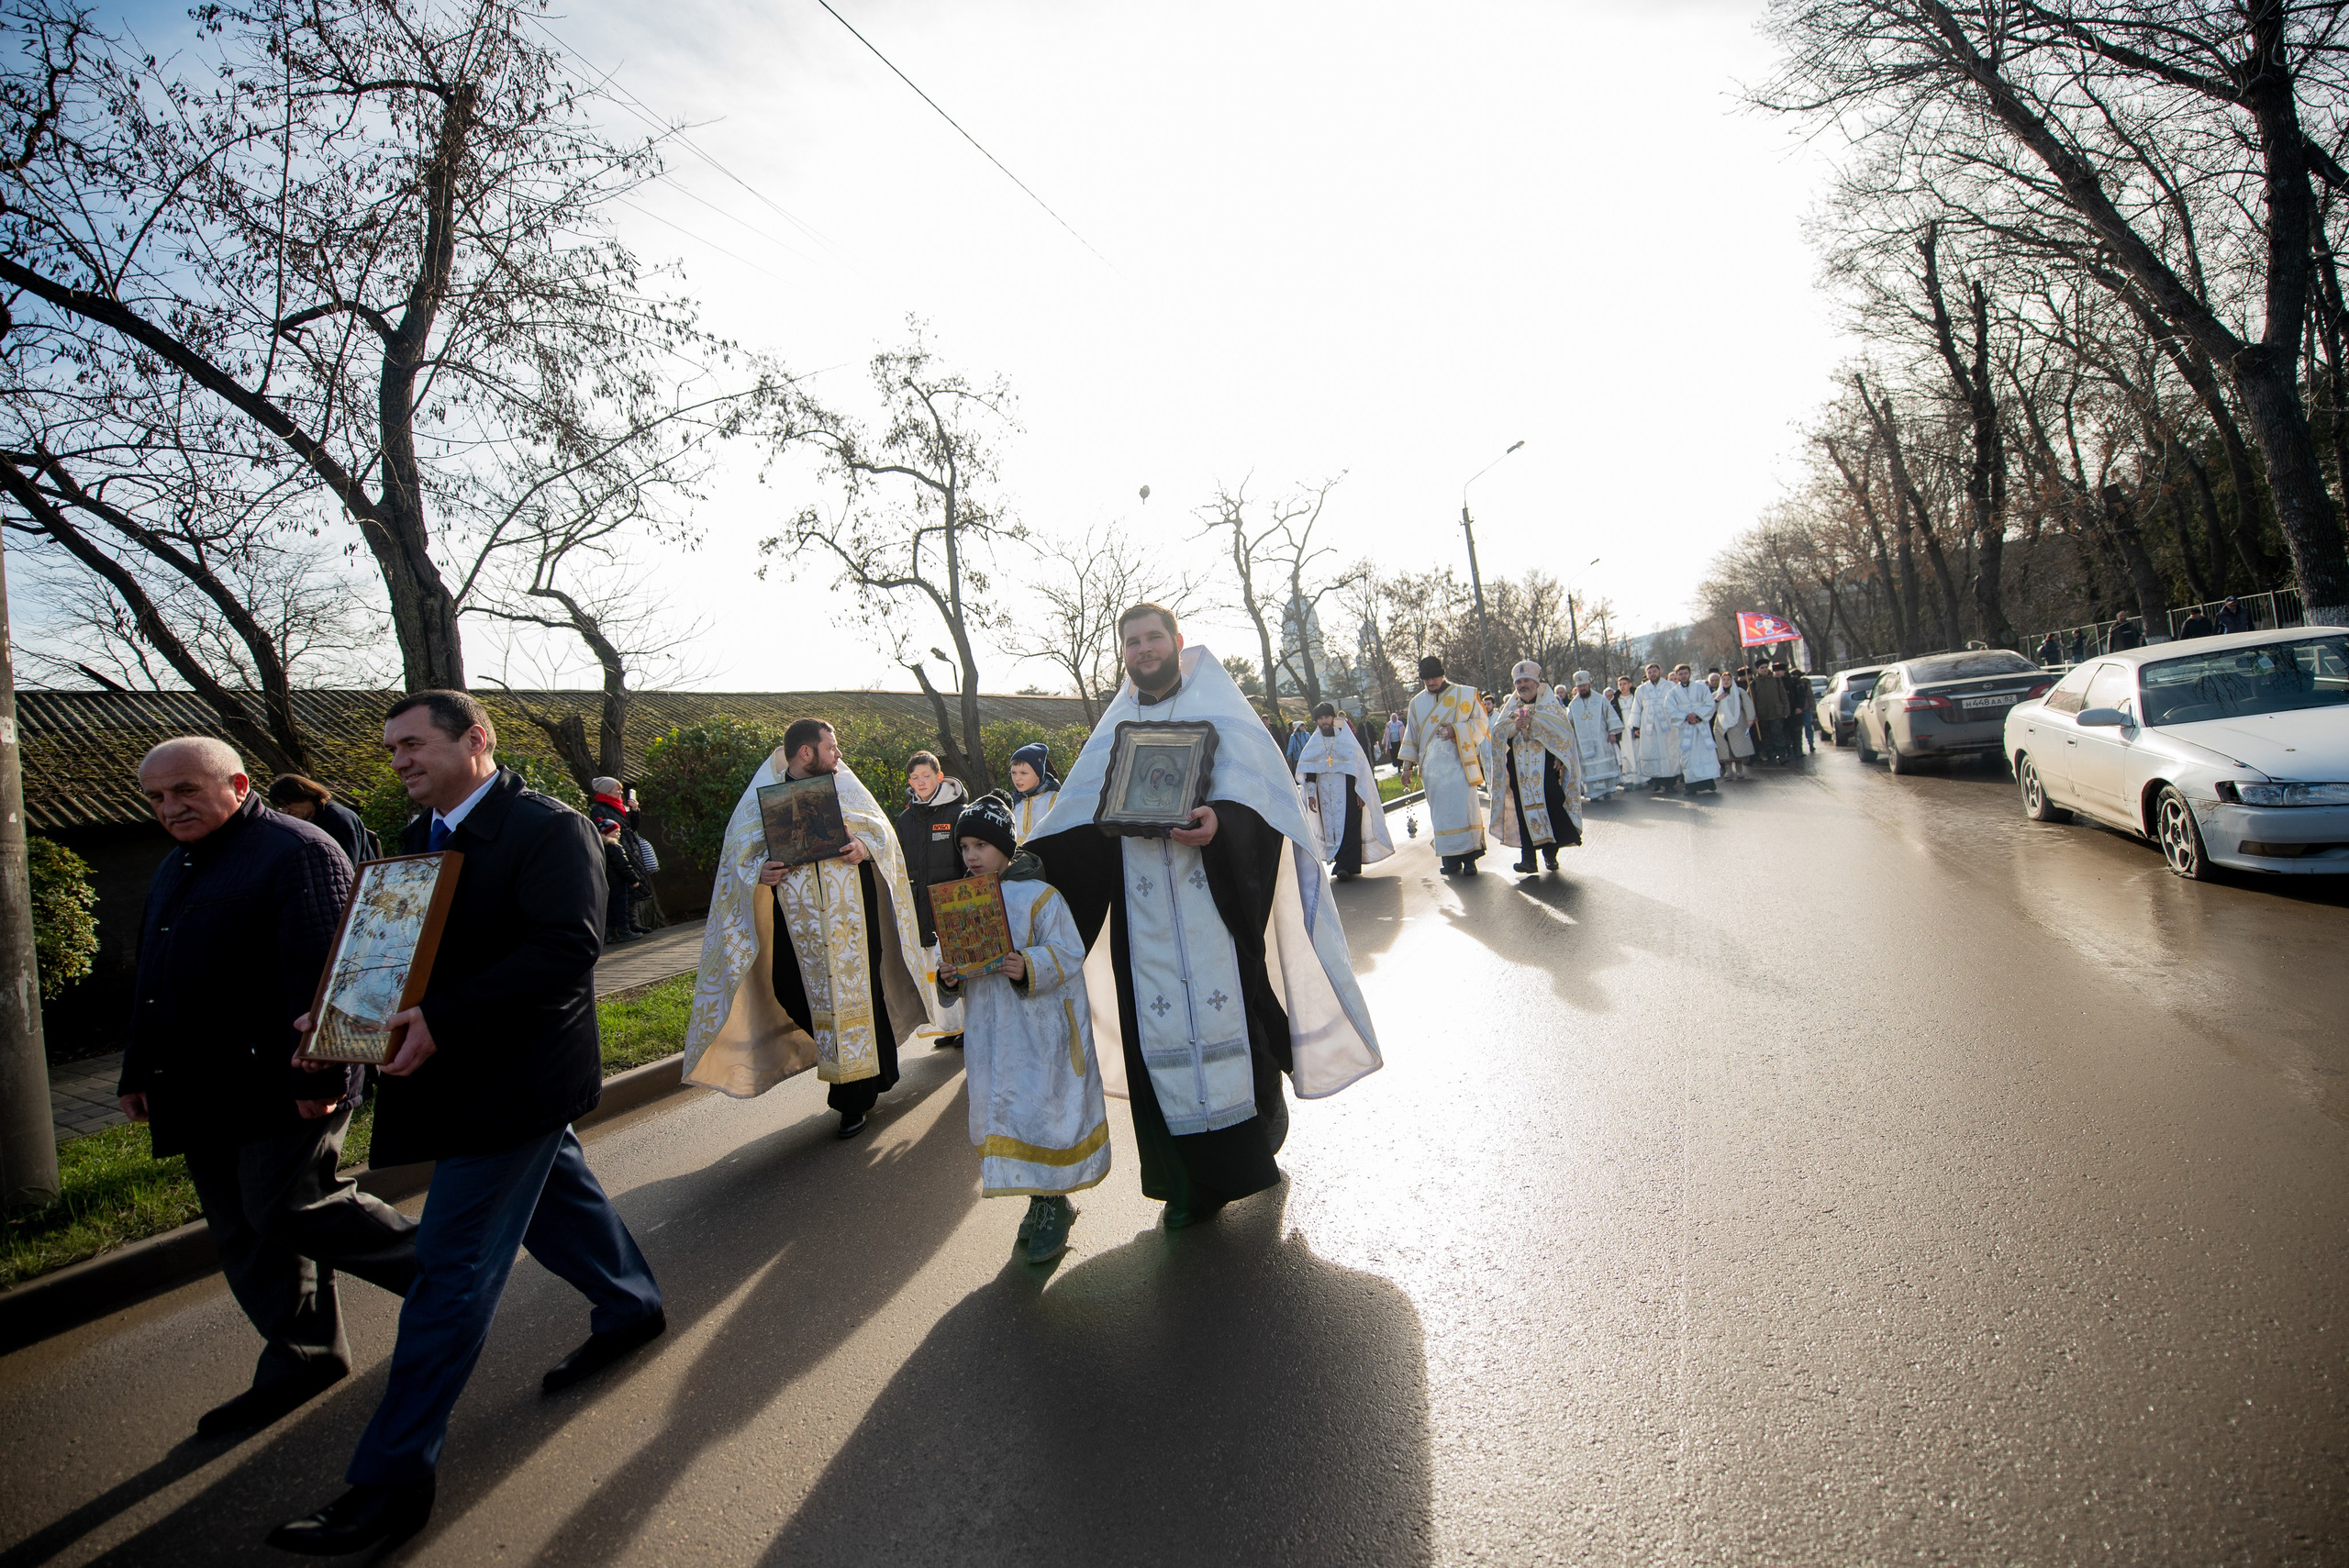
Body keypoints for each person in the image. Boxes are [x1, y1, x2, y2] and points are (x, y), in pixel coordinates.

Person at [267, 693, 662, 1555]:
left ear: (475, 740)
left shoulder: (547, 829)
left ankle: (391, 1479)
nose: (398, 759)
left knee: (450, 1273)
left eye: (413, 743)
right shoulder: (415, 842)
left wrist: (443, 1019)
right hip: (459, 1078)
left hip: (515, 1079)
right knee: (560, 1196)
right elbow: (395, 957)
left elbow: (566, 950)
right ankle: (632, 1303)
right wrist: (343, 1019)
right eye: (391, 747)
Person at [1027, 604, 1381, 1230]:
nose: (1143, 648)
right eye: (1132, 641)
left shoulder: (1223, 709)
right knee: (1157, 1043)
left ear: (1176, 642)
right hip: (1144, 931)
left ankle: (1256, 1138)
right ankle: (1189, 1185)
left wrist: (1222, 821)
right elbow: (1077, 824)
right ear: (1124, 654)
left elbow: (1264, 803)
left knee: (1238, 1020)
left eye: (1153, 637)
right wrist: (1023, 864)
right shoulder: (1115, 728)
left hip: (1212, 907)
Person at [122, 740, 417, 1443]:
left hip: (281, 1081)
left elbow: (337, 976)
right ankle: (302, 1357)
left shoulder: (297, 850)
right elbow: (155, 976)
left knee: (291, 1204)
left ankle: (449, 1277)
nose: (171, 807)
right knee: (242, 1229)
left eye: (186, 790)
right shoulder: (177, 863)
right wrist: (139, 1068)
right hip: (198, 1085)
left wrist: (328, 1071)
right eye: (157, 798)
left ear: (237, 784)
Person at [682, 720, 946, 1139]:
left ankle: (852, 1098)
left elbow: (881, 834)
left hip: (852, 915)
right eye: (831, 748)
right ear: (806, 753)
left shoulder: (846, 786)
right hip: (798, 919)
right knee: (788, 987)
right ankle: (854, 1062)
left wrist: (864, 846)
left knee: (860, 992)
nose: (838, 755)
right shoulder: (760, 799)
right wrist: (759, 871)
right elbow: (740, 855)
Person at [935, 795, 1110, 1264]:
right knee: (1006, 1108)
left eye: (982, 846)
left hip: (1037, 1032)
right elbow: (953, 961)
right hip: (990, 1034)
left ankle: (1054, 1203)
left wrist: (1027, 963)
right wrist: (949, 975)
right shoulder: (963, 899)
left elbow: (1070, 953)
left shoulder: (1040, 897)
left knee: (1039, 1109)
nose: (971, 855)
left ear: (1006, 848)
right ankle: (1040, 1200)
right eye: (965, 845)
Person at [1396, 654, 1494, 874]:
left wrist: (1456, 731)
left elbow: (1481, 723)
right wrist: (1407, 768)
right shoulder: (1416, 703)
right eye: (1426, 679)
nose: (1431, 682)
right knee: (1440, 814)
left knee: (1463, 810)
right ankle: (1449, 860)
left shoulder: (1466, 694)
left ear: (1443, 674)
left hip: (1460, 763)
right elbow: (1412, 735)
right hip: (1433, 771)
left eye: (1434, 677)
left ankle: (1470, 859)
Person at [1488, 662, 1584, 873]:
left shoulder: (1549, 705)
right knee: (1523, 812)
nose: (1522, 685)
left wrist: (1558, 754)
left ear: (1536, 682)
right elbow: (1497, 734)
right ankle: (1528, 860)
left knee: (1550, 806)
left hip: (1546, 767)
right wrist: (1514, 727)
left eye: (1526, 681)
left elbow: (1564, 735)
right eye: (1518, 682)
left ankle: (1550, 855)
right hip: (1520, 769)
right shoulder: (1511, 708)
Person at [1294, 701, 1393, 881]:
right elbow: (1309, 771)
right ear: (1317, 721)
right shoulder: (1314, 743)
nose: (1324, 721)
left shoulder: (1346, 740)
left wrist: (1359, 793)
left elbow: (1358, 768)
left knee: (1350, 826)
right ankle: (1341, 862)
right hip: (1325, 794)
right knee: (1330, 828)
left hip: (1348, 791)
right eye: (1320, 718)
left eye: (1327, 717)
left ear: (1333, 718)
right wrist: (1310, 795)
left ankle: (1348, 866)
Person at [264, 773, 381, 867]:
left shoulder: (337, 819)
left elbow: (345, 866)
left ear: (306, 795)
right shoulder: (312, 819)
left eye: (288, 804)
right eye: (281, 807)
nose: (286, 811)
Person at [1563, 671, 1623, 800]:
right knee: (1589, 769)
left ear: (1589, 684)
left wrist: (1612, 733)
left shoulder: (1600, 700)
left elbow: (1610, 716)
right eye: (1580, 686)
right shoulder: (1573, 705)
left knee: (1604, 766)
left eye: (1584, 685)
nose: (1582, 688)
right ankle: (1593, 794)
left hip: (1602, 740)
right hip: (1583, 743)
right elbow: (1569, 724)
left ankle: (1607, 791)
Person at [1630, 662, 1686, 793]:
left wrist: (1679, 720)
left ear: (1660, 672)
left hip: (1667, 725)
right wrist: (1635, 726)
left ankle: (1670, 783)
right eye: (1649, 672)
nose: (1652, 674)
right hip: (1649, 727)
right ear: (1646, 674)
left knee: (1669, 752)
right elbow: (1637, 708)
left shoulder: (1670, 685)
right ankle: (1656, 781)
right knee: (1652, 751)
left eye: (1654, 671)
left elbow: (1678, 703)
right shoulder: (1641, 689)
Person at [1673, 664, 1721, 795]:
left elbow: (1710, 704)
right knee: (1688, 756)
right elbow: (1669, 710)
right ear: (1677, 675)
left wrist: (1697, 715)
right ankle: (1691, 785)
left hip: (1701, 727)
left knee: (1704, 753)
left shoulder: (1701, 688)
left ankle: (1709, 782)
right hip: (1685, 728)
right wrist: (1686, 717)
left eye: (1685, 673)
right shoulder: (1673, 692)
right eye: (1680, 674)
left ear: (1690, 673)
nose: (1683, 676)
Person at [1005, 740, 1060, 841]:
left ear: (1038, 774)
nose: (1017, 778)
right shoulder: (1011, 804)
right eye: (1013, 773)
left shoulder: (1055, 800)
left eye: (1023, 773)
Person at [1715, 668, 1755, 779]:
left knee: (1739, 747)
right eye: (1724, 679)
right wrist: (1717, 700)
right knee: (1725, 748)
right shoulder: (1717, 694)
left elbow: (1748, 705)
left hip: (1738, 724)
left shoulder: (1739, 692)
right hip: (1722, 726)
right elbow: (1709, 709)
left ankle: (1739, 769)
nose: (1726, 681)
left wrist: (1750, 719)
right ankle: (1728, 770)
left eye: (1728, 679)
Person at [1749, 655, 1789, 764]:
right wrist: (1753, 715)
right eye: (1762, 667)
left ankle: (1782, 756)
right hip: (1763, 716)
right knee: (1766, 738)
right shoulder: (1754, 683)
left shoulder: (1776, 681)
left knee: (1778, 736)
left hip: (1777, 713)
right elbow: (1751, 701)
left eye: (1766, 667)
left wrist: (1786, 710)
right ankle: (1771, 758)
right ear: (1758, 670)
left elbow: (1783, 696)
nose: (1765, 669)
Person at [1611, 675, 1644, 790]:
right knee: (1625, 754)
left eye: (1624, 684)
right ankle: (1628, 780)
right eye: (1620, 684)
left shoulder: (1635, 697)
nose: (1622, 687)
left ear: (1630, 684)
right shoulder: (1615, 701)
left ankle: (1639, 779)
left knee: (1637, 752)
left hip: (1634, 730)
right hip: (1623, 731)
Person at [1786, 666, 1818, 754]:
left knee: (1806, 727)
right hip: (1797, 709)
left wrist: (1813, 708)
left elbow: (1810, 696)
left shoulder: (1804, 684)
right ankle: (1801, 746)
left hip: (1804, 709)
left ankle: (1810, 744)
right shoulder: (1791, 683)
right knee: (1799, 729)